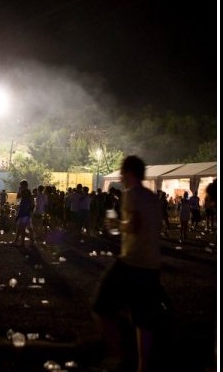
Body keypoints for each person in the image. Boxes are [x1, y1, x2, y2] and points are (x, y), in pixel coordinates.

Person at [92, 155, 166, 372]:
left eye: (122, 173)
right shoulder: (152, 197)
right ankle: (142, 367)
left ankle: (115, 355)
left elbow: (132, 226)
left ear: (129, 173)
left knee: (101, 305)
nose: (121, 178)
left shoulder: (131, 194)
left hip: (131, 262)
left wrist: (116, 223)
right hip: (152, 265)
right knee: (143, 321)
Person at [13, 179, 34, 246]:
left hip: (24, 213)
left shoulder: (25, 192)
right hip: (25, 212)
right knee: (21, 228)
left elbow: (18, 197)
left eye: (21, 185)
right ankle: (17, 241)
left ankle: (21, 242)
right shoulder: (27, 192)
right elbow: (18, 197)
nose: (20, 187)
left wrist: (19, 214)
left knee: (21, 228)